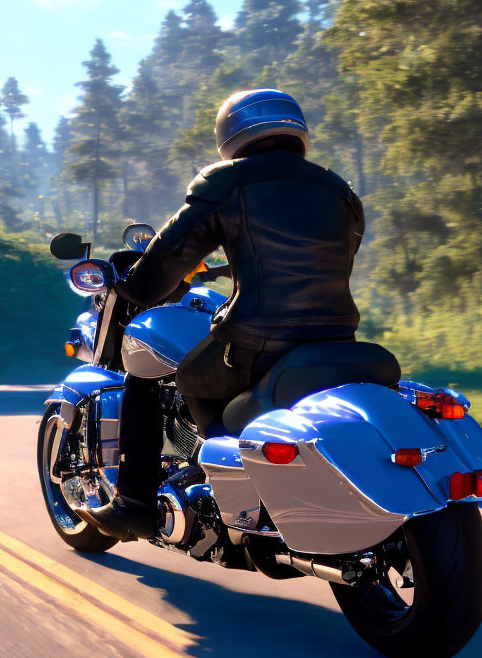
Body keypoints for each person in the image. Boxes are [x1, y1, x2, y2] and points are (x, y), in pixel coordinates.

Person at [80, 88, 365, 540]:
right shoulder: (339, 190)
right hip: (336, 342)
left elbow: (166, 260)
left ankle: (137, 503)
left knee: (159, 374)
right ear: (297, 130)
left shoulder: (225, 183)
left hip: (258, 343)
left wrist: (132, 283)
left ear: (229, 134)